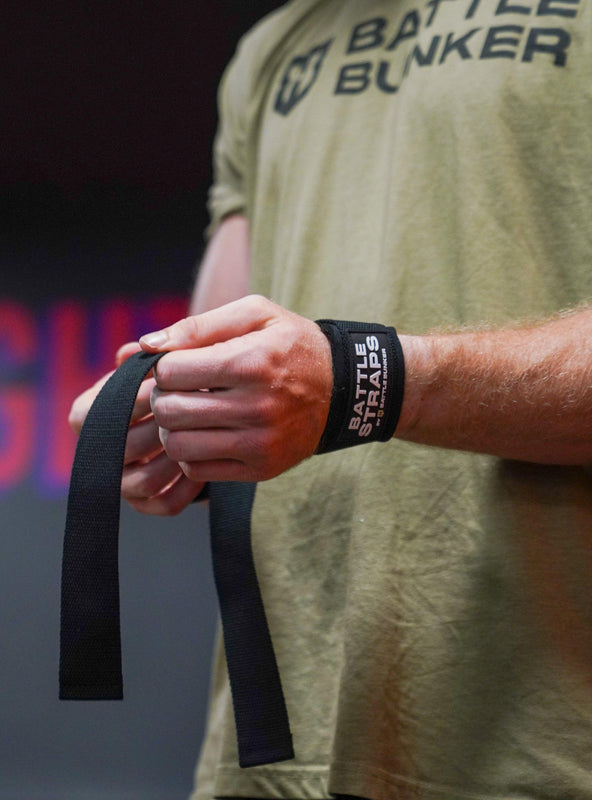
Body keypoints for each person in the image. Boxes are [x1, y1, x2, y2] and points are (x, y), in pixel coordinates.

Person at [70, 1, 592, 798]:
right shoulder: (271, 48)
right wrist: (166, 421)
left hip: (543, 745)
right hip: (279, 755)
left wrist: (362, 380)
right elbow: (220, 341)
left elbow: (335, 382)